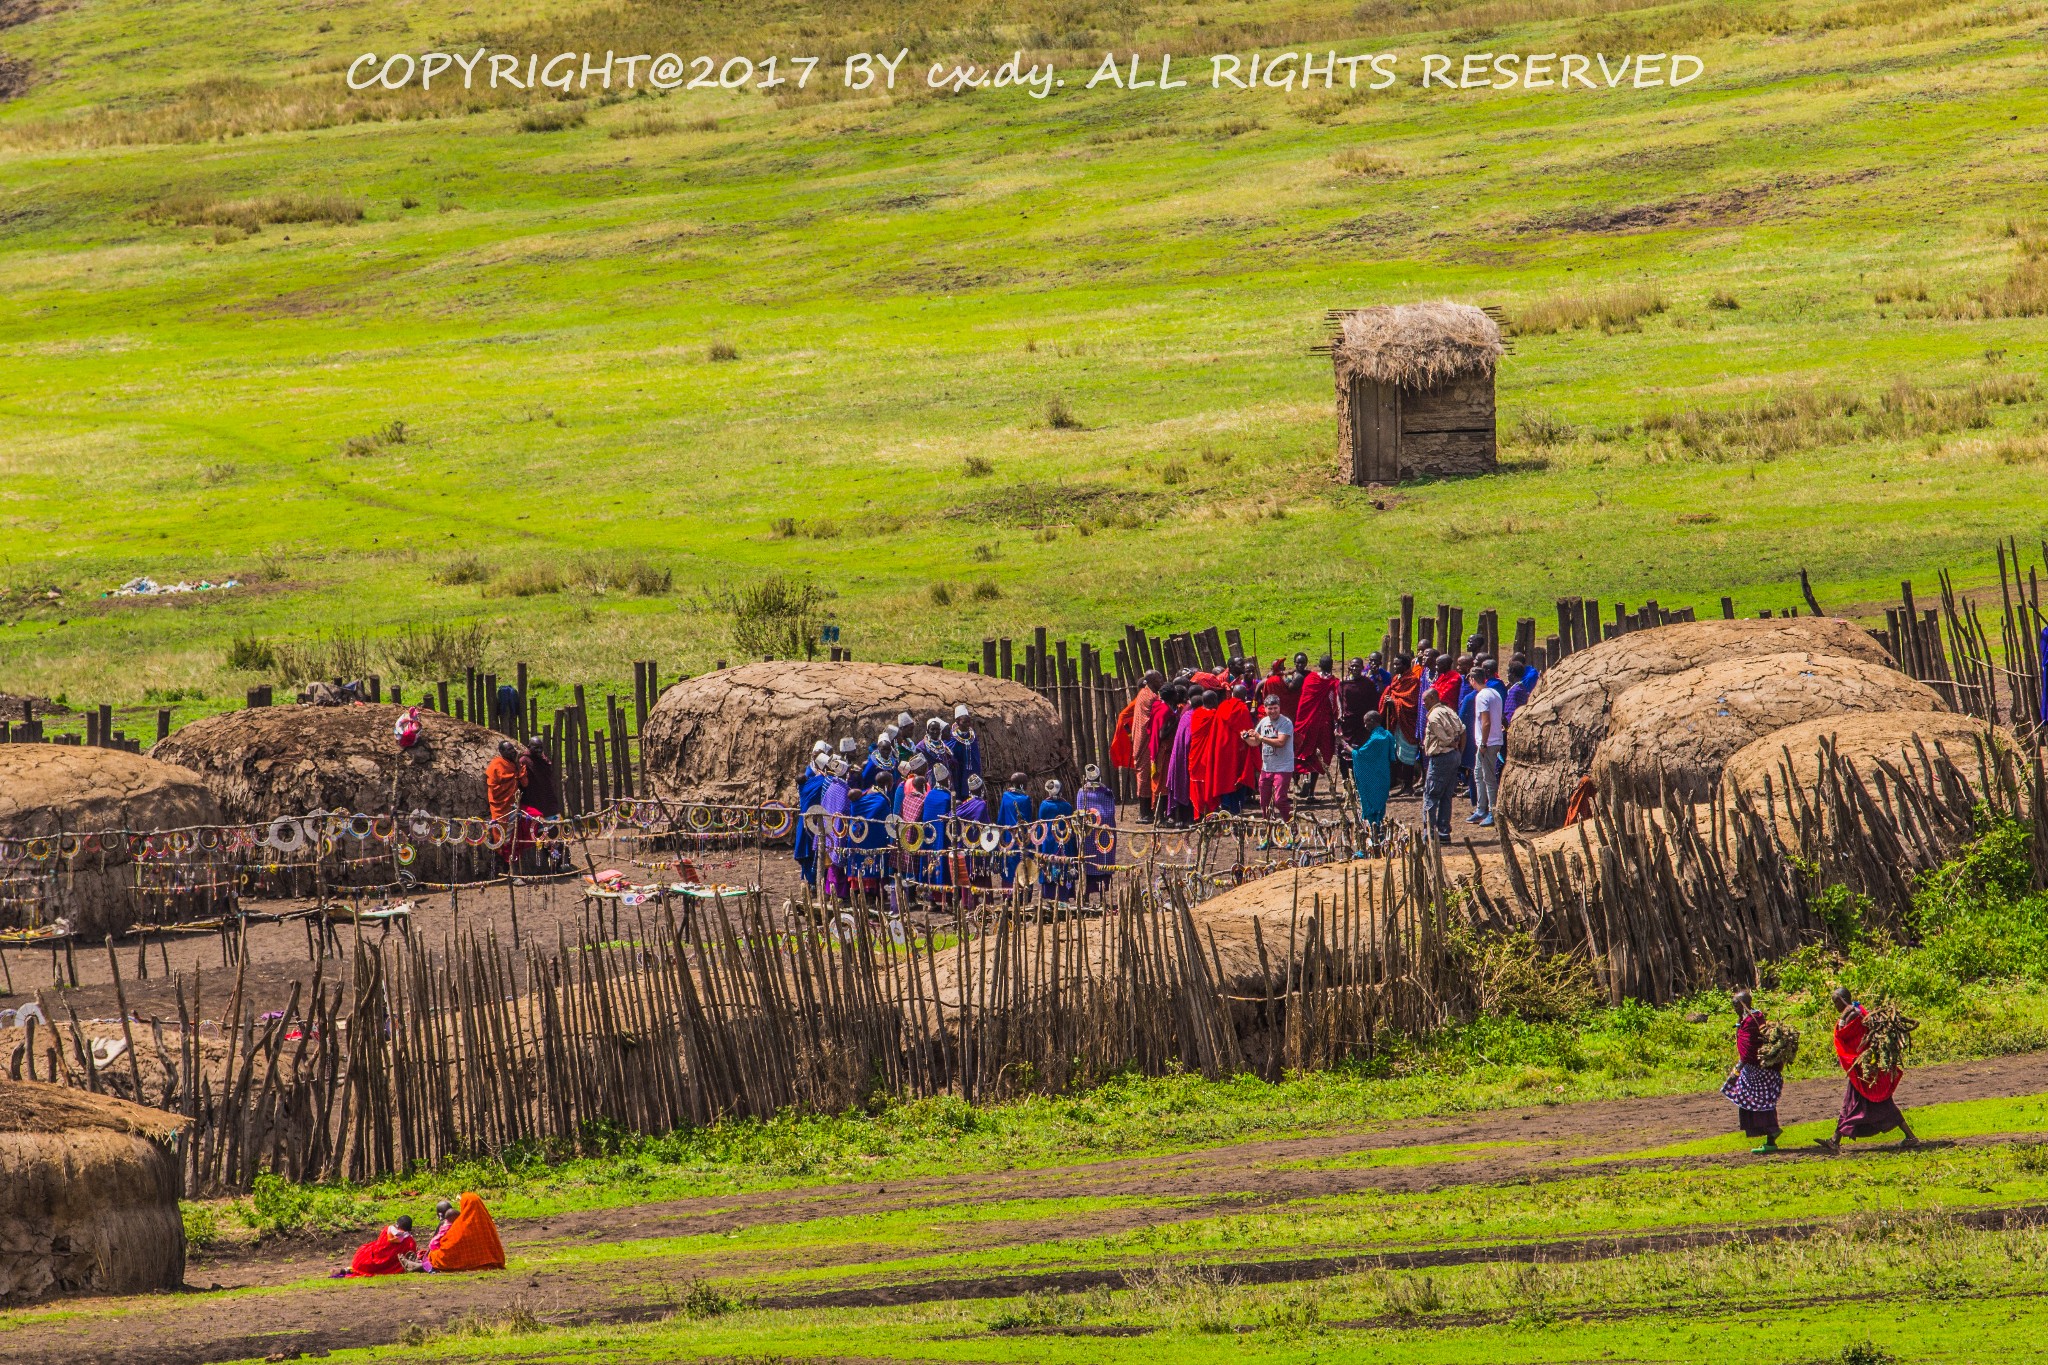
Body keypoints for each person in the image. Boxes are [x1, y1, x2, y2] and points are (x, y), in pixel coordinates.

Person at [1819, 986, 1918, 1152]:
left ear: (1843, 999)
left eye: (1836, 1002)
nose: (1835, 1006)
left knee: (1859, 1104)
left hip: (1864, 1068)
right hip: (1863, 1068)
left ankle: (1911, 1137)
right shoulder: (1857, 1011)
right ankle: (1835, 1140)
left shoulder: (1853, 1015)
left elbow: (1848, 1036)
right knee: (1862, 1104)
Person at [1721, 988, 1785, 1153]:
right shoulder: (1750, 1019)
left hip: (1756, 1071)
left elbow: (1750, 1050)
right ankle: (1770, 1138)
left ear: (1744, 1004)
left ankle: (1772, 1132)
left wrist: (1740, 1065)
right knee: (1754, 1102)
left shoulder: (1751, 1021)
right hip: (1752, 1069)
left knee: (1759, 1102)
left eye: (1736, 1005)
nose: (1734, 1008)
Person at [1420, 691, 1466, 842]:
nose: (1423, 704)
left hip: (1441, 757)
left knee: (1431, 795)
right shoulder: (1449, 711)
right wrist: (1459, 751)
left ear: (1432, 699)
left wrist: (1451, 743)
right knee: (1446, 796)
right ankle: (1444, 832)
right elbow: (1463, 730)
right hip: (1453, 756)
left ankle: (1430, 833)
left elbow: (1444, 738)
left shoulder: (1433, 717)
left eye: (1425, 700)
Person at [1293, 656, 1339, 804]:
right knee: (1319, 756)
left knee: (1304, 752)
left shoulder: (1310, 679)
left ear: (1318, 665)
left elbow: (1303, 703)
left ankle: (1301, 781)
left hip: (1307, 722)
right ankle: (1311, 793)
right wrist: (1337, 721)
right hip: (1324, 724)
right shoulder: (1334, 683)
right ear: (1332, 666)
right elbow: (1335, 704)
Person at [428, 1192, 507, 1273]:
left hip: (464, 1260)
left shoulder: (462, 1225)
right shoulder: (487, 1224)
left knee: (435, 1256)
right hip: (490, 1260)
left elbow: (451, 1246)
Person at [1247, 694, 1296, 821]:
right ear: (1265, 708)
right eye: (1270, 708)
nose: (1272, 711)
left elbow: (1280, 742)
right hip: (1267, 767)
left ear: (1279, 708)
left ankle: (1292, 829)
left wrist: (1260, 738)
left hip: (1283, 767)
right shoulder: (1263, 722)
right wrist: (1246, 738)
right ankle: (1270, 832)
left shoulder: (1286, 722)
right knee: (1264, 803)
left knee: (1280, 800)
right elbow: (1255, 742)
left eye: (1275, 708)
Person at [1380, 654, 1423, 796]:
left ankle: (1408, 786)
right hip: (1397, 722)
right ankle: (1401, 783)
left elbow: (1411, 703)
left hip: (1407, 723)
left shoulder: (1412, 681)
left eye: (1397, 664)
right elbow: (1395, 694)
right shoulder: (1396, 679)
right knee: (1397, 753)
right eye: (1394, 664)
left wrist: (1394, 702)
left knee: (1407, 754)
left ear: (1405, 666)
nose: (1394, 667)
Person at [1469, 659, 1505, 828]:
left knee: (1489, 778)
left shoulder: (1482, 696)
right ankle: (1481, 808)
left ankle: (1492, 811)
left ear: (1472, 680)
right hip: (1491, 741)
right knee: (1478, 774)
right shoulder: (1494, 693)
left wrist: (1483, 743)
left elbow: (1486, 722)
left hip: (1488, 743)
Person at [1075, 764, 1117, 904]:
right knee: (1099, 861)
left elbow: (1081, 813)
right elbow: (1109, 813)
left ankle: (1088, 897)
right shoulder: (1107, 792)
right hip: (1104, 832)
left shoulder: (1082, 792)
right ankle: (1098, 897)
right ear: (1100, 776)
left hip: (1089, 833)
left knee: (1090, 862)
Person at [485, 740, 528, 868]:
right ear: (501, 752)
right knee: (503, 836)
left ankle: (514, 863)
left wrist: (517, 769)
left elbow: (524, 783)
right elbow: (494, 788)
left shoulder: (516, 765)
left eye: (512, 748)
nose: (512, 751)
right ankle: (507, 866)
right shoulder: (496, 765)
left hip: (514, 806)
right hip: (501, 807)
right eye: (508, 749)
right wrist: (512, 779)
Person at [1350, 709, 1394, 833]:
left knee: (1370, 807)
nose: (1365, 726)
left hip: (1372, 779)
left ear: (1372, 721)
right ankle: (1377, 832)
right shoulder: (1387, 735)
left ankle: (1374, 835)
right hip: (1383, 776)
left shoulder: (1377, 739)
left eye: (1366, 722)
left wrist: (1342, 742)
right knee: (1379, 806)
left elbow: (1359, 755)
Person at [1036, 778, 1077, 904]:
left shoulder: (1044, 805)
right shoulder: (1067, 806)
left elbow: (1040, 826)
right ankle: (1064, 895)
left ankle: (1050, 895)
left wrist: (1038, 840)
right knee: (1064, 865)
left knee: (1049, 864)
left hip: (1048, 841)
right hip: (1065, 840)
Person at [793, 749, 829, 890]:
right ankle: (813, 881)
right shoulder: (820, 781)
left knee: (811, 851)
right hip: (812, 822)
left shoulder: (808, 784)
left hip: (807, 821)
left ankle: (811, 880)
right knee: (812, 850)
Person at [996, 771, 1034, 893]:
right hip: (1021, 837)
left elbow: (1000, 818)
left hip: (1007, 837)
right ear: (1022, 785)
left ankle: (1008, 895)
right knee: (1022, 861)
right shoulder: (1025, 799)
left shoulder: (1006, 796)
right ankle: (1022, 895)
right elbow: (1027, 820)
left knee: (1009, 863)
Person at [343, 1215, 417, 1277]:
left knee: (367, 1248)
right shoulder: (410, 1242)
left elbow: (379, 1247)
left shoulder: (386, 1231)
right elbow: (410, 1258)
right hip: (388, 1268)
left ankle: (347, 1270)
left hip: (364, 1263)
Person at [1337, 658, 1381, 750]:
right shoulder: (1343, 683)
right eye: (1352, 666)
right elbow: (1340, 698)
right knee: (1345, 748)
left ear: (1362, 668)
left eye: (1357, 666)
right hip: (1348, 721)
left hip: (1363, 722)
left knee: (1361, 747)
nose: (1354, 668)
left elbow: (1373, 702)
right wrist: (1340, 712)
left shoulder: (1368, 683)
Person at [945, 705, 982, 796]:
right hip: (958, 771)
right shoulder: (951, 737)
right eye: (964, 722)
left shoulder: (972, 736)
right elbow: (949, 754)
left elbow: (975, 755)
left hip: (971, 770)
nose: (967, 724)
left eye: (969, 722)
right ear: (957, 721)